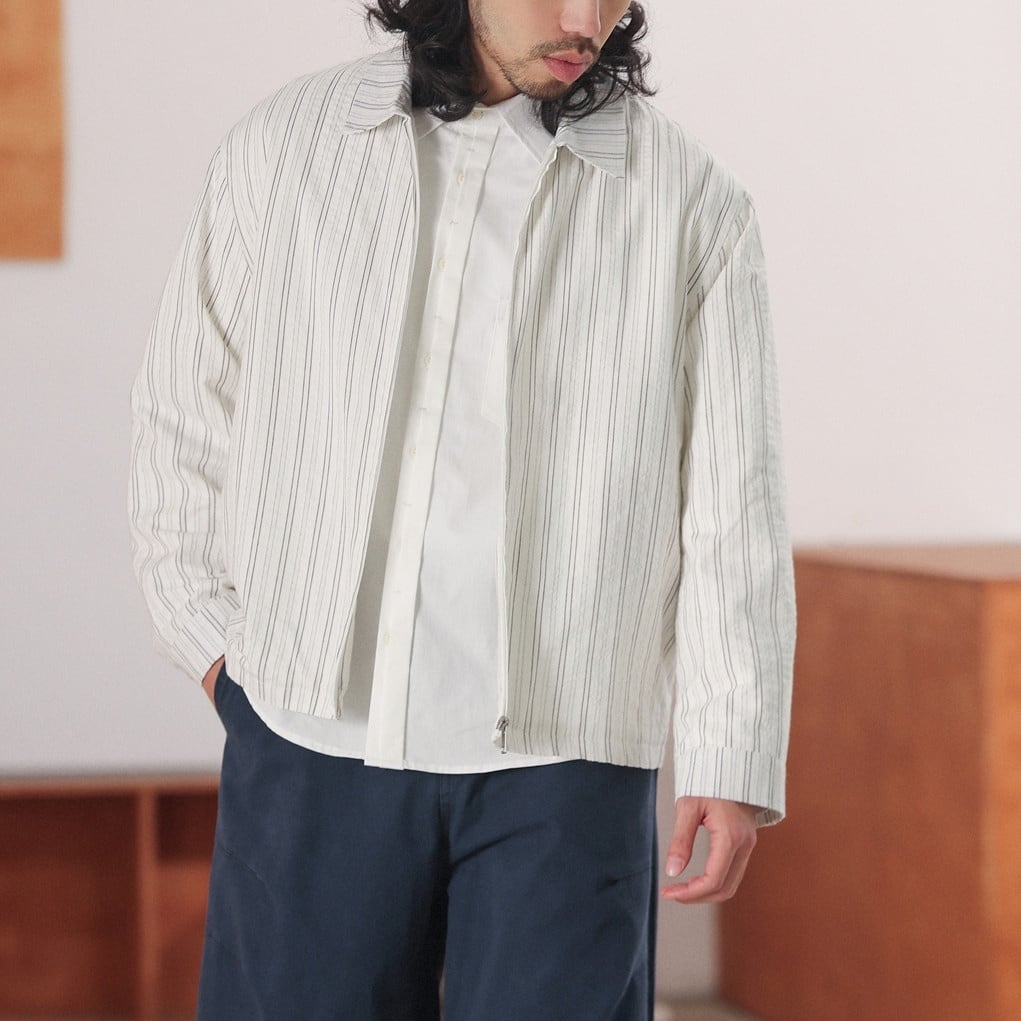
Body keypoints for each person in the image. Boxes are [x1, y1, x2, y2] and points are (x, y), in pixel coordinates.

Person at [128, 1, 796, 1017]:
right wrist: (223, 657)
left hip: (567, 761)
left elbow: (731, 499)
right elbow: (184, 410)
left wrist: (729, 748)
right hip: (311, 735)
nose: (583, 20)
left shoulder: (690, 202)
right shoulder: (284, 148)